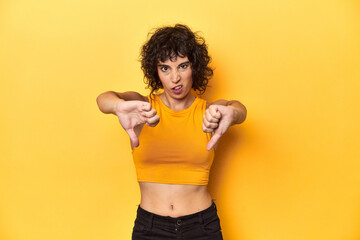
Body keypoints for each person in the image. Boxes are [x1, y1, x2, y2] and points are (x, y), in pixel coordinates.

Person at [96, 24, 247, 240]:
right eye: (165, 68)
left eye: (183, 66)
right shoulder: (142, 108)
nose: (175, 78)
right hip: (150, 227)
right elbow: (104, 98)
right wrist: (117, 106)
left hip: (202, 226)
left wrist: (231, 113)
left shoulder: (209, 112)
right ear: (156, 72)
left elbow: (239, 109)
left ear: (194, 67)